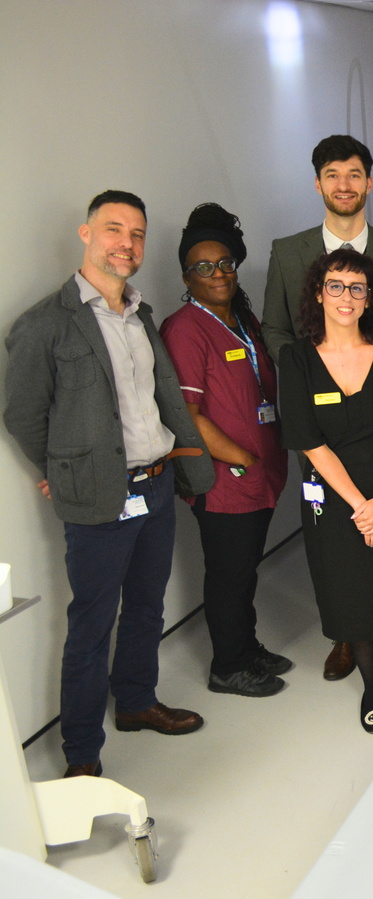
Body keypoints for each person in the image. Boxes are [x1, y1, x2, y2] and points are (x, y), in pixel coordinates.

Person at [4, 191, 213, 777]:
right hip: (100, 497)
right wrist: (56, 472)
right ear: (86, 234)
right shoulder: (45, 324)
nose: (127, 243)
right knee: (91, 625)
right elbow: (22, 414)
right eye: (114, 229)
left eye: (137, 234)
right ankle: (81, 757)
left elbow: (155, 400)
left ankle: (138, 702)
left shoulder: (141, 316)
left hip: (155, 486)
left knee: (147, 606)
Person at [261, 134, 373, 683]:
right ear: (318, 183)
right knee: (335, 537)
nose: (344, 185)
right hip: (321, 418)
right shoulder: (288, 251)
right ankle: (348, 638)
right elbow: (276, 329)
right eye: (333, 174)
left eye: (354, 174)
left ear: (368, 183)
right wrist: (310, 376)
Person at [278, 249, 373, 733]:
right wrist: (361, 508)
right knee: (353, 594)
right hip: (336, 498)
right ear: (318, 294)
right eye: (335, 286)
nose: (345, 297)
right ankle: (371, 688)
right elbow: (308, 441)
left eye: (356, 288)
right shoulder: (297, 358)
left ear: (369, 299)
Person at [161, 204, 291, 698]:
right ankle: (228, 666)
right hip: (225, 481)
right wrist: (242, 458)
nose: (218, 274)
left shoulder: (242, 319)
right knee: (229, 574)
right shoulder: (185, 330)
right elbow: (189, 417)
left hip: (258, 472)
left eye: (225, 264)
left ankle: (246, 647)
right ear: (186, 276)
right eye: (203, 267)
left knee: (243, 570)